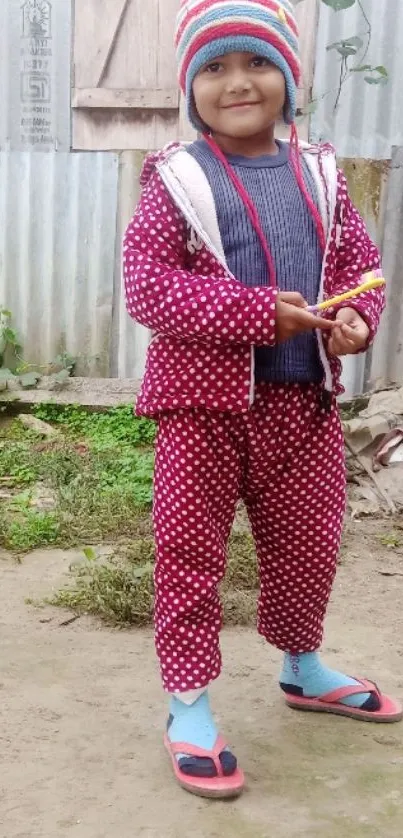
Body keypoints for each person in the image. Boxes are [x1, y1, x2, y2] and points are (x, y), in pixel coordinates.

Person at [123, 0, 401, 799]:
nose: (236, 82)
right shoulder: (176, 177)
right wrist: (250, 312)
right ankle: (187, 707)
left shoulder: (318, 172)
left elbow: (359, 263)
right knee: (189, 560)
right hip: (199, 413)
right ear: (189, 88)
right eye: (213, 68)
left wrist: (355, 316)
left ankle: (302, 667)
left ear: (287, 77)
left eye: (255, 63)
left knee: (308, 550)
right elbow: (146, 286)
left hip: (301, 408)